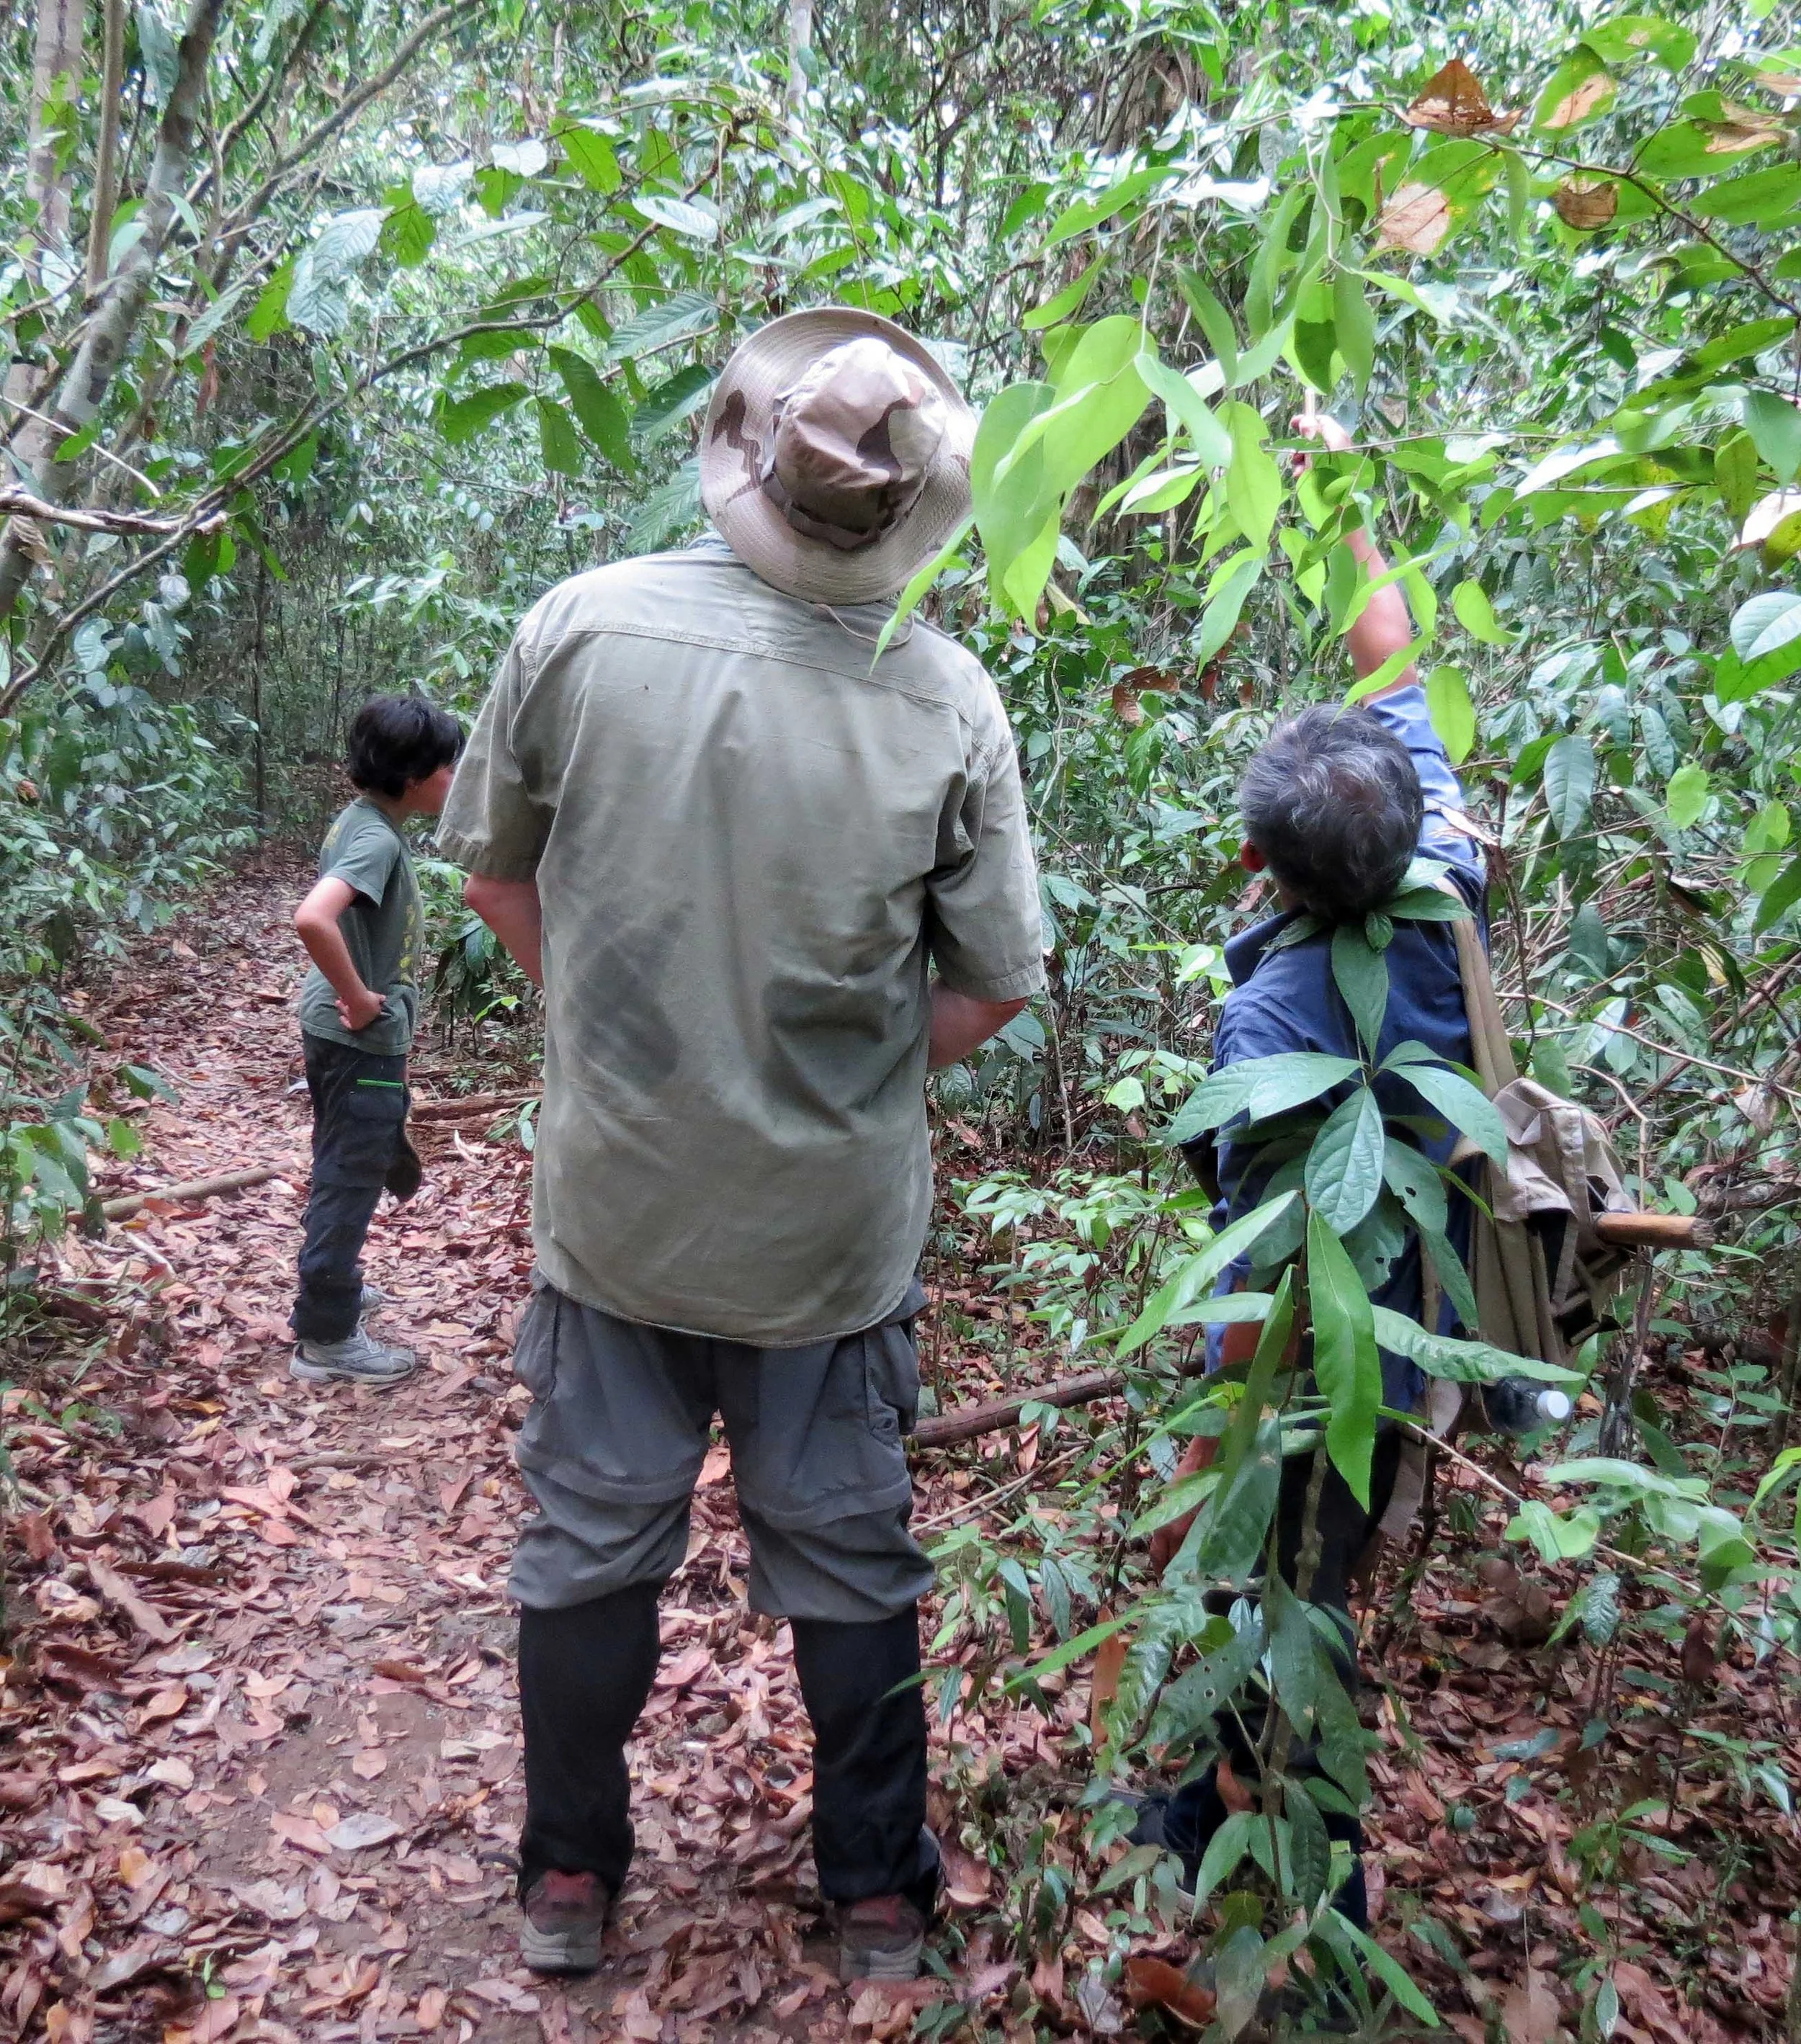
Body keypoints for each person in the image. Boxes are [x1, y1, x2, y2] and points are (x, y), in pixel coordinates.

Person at [439, 308, 1045, 1984]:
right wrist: (833, 1077)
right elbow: (993, 986)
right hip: (827, 1233)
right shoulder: (942, 694)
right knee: (849, 1549)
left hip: (621, 1200)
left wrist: (623, 1034)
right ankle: (873, 1894)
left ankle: (567, 1875)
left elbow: (494, 871)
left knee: (588, 1535)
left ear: (748, 454)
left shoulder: (579, 628)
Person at [1140, 411, 1488, 1924]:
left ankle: (1312, 1893)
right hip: (1423, 1315)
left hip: (1322, 1340)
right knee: (1308, 1566)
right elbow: (1390, 656)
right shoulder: (1445, 871)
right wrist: (1337, 479)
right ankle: (1210, 1818)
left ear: (1263, 874)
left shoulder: (1271, 1017)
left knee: (1287, 1578)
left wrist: (1207, 1431)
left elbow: (1245, 1241)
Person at [290, 694, 463, 1387]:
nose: (453, 778)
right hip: (359, 1039)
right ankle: (327, 1334)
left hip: (338, 1034)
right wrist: (362, 999)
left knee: (346, 1156)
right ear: (413, 774)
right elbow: (314, 918)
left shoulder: (364, 820)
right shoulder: (377, 839)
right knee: (351, 1176)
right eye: (447, 767)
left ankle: (333, 1287)